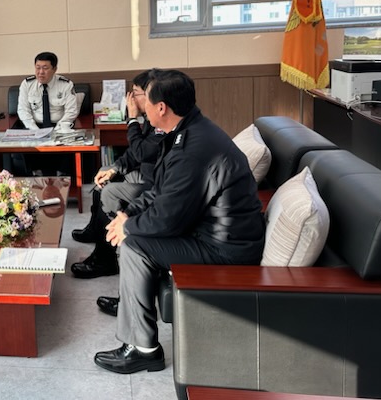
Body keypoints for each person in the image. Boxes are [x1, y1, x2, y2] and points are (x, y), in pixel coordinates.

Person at [93, 69, 265, 375]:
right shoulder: (188, 130)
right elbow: (160, 189)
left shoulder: (192, 149)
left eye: (146, 101)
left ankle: (143, 350)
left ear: (161, 108)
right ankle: (137, 331)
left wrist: (128, 228)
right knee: (133, 233)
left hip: (225, 249)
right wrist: (128, 214)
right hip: (206, 231)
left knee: (134, 246)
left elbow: (168, 218)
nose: (142, 107)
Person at [70, 70, 165, 280]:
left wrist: (132, 119)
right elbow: (133, 154)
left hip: (154, 184)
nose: (131, 98)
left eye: (135, 93)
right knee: (104, 179)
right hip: (144, 175)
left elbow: (141, 152)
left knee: (110, 193)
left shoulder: (160, 122)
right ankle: (96, 231)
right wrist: (113, 168)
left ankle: (105, 259)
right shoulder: (149, 117)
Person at [17, 51, 79, 130]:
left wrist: (57, 130)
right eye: (38, 68)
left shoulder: (66, 85)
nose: (41, 72)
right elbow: (23, 110)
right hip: (34, 126)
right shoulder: (27, 84)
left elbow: (71, 111)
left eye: (45, 68)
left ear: (54, 69)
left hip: (60, 126)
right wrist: (35, 130)